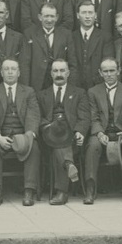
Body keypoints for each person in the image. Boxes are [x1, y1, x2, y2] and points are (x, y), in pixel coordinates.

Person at [0, 59, 41, 206]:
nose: (9, 72)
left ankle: (29, 190)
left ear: (19, 72)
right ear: (1, 73)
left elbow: (33, 115)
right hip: (2, 135)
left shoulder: (28, 92)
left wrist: (28, 136)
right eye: (6, 69)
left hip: (22, 135)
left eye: (13, 69)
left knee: (34, 147)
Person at [83, 58, 122, 205]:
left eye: (112, 71)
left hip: (121, 132)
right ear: (100, 73)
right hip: (102, 131)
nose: (109, 74)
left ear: (118, 71)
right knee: (93, 145)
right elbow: (93, 117)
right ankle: (91, 187)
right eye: (105, 71)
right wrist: (99, 133)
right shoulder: (93, 92)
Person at [39, 59, 89, 205]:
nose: (59, 74)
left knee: (61, 143)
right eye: (55, 71)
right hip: (48, 136)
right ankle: (68, 166)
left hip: (71, 136)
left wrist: (80, 131)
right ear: (50, 74)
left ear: (68, 73)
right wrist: (48, 128)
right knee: (57, 138)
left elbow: (84, 117)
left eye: (62, 71)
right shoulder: (42, 95)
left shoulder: (79, 93)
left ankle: (62, 191)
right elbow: (38, 117)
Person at [23, 3, 70, 94]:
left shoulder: (66, 35)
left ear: (57, 17)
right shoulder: (29, 34)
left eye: (52, 16)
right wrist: (26, 88)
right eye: (46, 16)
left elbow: (72, 62)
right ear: (40, 17)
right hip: (37, 83)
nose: (49, 20)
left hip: (59, 80)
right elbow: (25, 63)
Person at [68, 0, 111, 91]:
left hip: (98, 86)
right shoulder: (70, 37)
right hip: (76, 86)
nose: (87, 16)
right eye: (84, 13)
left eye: (90, 13)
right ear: (77, 15)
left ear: (95, 15)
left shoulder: (105, 37)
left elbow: (107, 64)